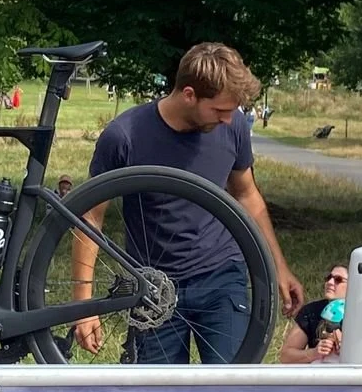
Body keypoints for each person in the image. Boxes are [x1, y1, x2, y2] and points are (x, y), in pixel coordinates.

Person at [74, 42, 304, 361]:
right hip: (154, 286)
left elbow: (247, 194)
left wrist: (279, 267)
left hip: (222, 274)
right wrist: (84, 306)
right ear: (189, 94)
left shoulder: (234, 125)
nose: (228, 120)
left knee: (233, 383)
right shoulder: (124, 136)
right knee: (160, 391)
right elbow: (90, 217)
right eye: (220, 111)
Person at [280, 265, 348, 364]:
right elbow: (286, 356)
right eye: (328, 278)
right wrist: (314, 353)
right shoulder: (311, 312)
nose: (330, 282)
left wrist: (347, 349)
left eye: (338, 279)